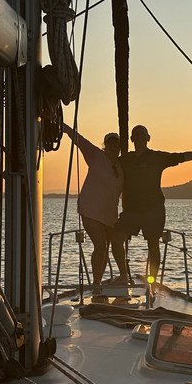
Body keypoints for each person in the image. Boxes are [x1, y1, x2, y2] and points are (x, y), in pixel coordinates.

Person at [115, 124, 192, 284]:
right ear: (131, 139)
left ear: (148, 138)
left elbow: (181, 157)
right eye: (136, 135)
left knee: (153, 245)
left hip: (153, 209)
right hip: (131, 211)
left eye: (143, 135)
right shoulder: (125, 160)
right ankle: (123, 277)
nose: (140, 138)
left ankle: (152, 282)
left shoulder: (157, 158)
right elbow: (106, 164)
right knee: (116, 240)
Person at [61, 123, 128, 291]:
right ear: (104, 145)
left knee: (109, 247)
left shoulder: (121, 166)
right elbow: (80, 141)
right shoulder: (96, 156)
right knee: (100, 245)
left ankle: (118, 277)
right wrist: (64, 127)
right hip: (90, 210)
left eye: (116, 143)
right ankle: (96, 283)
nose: (113, 145)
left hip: (109, 215)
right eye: (110, 143)